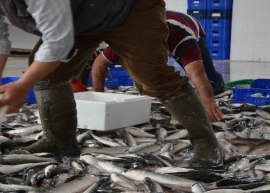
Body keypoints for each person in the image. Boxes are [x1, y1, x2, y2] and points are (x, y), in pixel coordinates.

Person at [0, 0, 223, 168]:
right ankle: (59, 141)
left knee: (152, 77)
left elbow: (58, 41)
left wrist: (23, 86)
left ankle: (205, 143)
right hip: (80, 10)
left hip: (128, 2)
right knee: (49, 73)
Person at [89, 10, 225, 122]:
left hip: (189, 24)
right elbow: (99, 63)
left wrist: (208, 101)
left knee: (209, 76)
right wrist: (99, 95)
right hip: (159, 21)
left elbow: (196, 73)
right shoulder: (128, 40)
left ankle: (217, 84)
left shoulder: (181, 39)